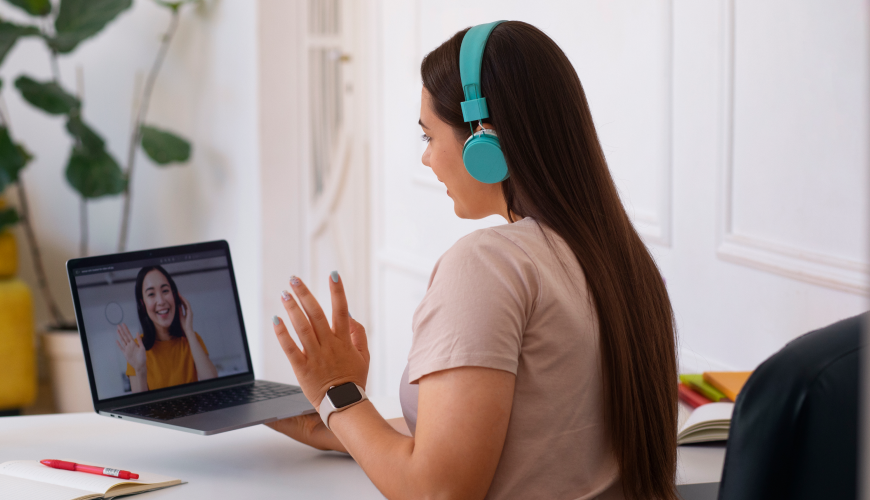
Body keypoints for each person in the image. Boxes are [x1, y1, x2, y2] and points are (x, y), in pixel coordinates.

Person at [267, 21, 678, 500]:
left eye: (429, 137)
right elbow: (527, 430)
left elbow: (438, 492)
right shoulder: (622, 261)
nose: (427, 159)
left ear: (484, 139)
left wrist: (335, 390)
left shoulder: (490, 265)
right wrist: (336, 416)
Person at [116, 265, 218, 393]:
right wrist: (140, 369)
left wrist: (189, 331)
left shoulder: (191, 339)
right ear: (143, 304)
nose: (161, 301)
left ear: (175, 296)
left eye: (165, 291)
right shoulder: (137, 349)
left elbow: (212, 386)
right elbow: (141, 410)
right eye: (151, 294)